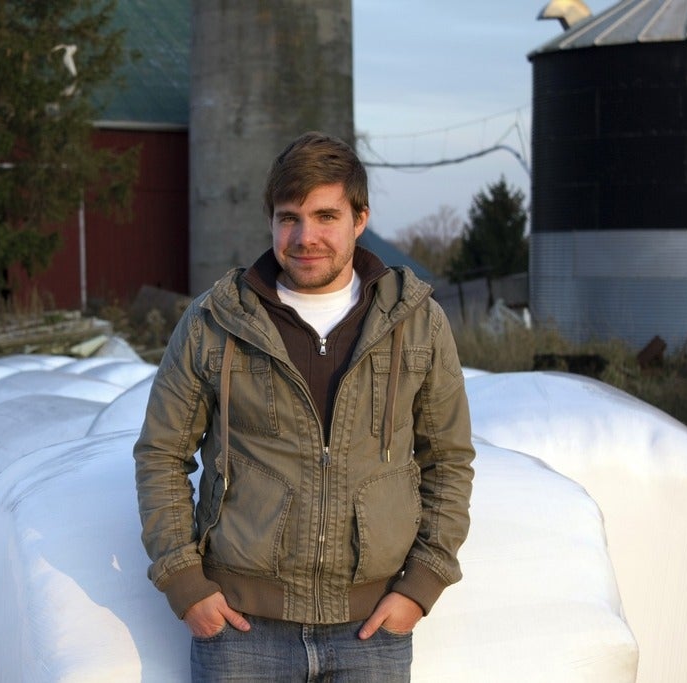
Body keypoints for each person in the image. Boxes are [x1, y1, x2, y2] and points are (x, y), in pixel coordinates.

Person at [134, 131, 474, 681]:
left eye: (325, 216)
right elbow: (161, 454)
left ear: (360, 219)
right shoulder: (213, 322)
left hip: (372, 628)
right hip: (242, 631)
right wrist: (185, 583)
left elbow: (449, 460)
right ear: (270, 220)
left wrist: (421, 585)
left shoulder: (416, 322)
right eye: (289, 217)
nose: (305, 236)